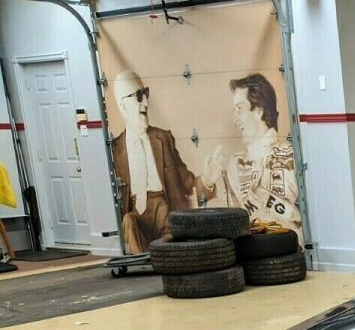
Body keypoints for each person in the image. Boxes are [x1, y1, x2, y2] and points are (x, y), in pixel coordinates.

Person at [110, 70, 219, 254]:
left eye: (146, 93)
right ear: (123, 105)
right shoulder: (115, 149)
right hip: (137, 212)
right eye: (138, 96)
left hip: (164, 209)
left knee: (172, 234)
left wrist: (207, 180)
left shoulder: (164, 138)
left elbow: (188, 184)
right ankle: (145, 263)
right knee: (128, 221)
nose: (145, 102)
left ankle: (163, 259)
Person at [202, 74, 301, 232]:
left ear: (259, 111)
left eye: (239, 109)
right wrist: (209, 183)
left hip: (291, 250)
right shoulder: (234, 165)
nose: (235, 118)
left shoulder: (293, 155)